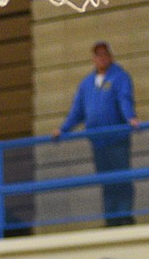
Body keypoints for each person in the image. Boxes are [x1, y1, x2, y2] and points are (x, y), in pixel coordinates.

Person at [54, 41, 140, 226]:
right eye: (98, 55)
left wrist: (130, 117)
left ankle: (124, 215)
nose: (101, 58)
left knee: (121, 177)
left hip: (117, 138)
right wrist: (63, 128)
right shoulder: (86, 84)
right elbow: (77, 111)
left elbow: (124, 98)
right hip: (97, 141)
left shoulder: (120, 77)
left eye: (104, 54)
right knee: (106, 181)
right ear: (93, 59)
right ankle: (111, 217)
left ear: (110, 56)